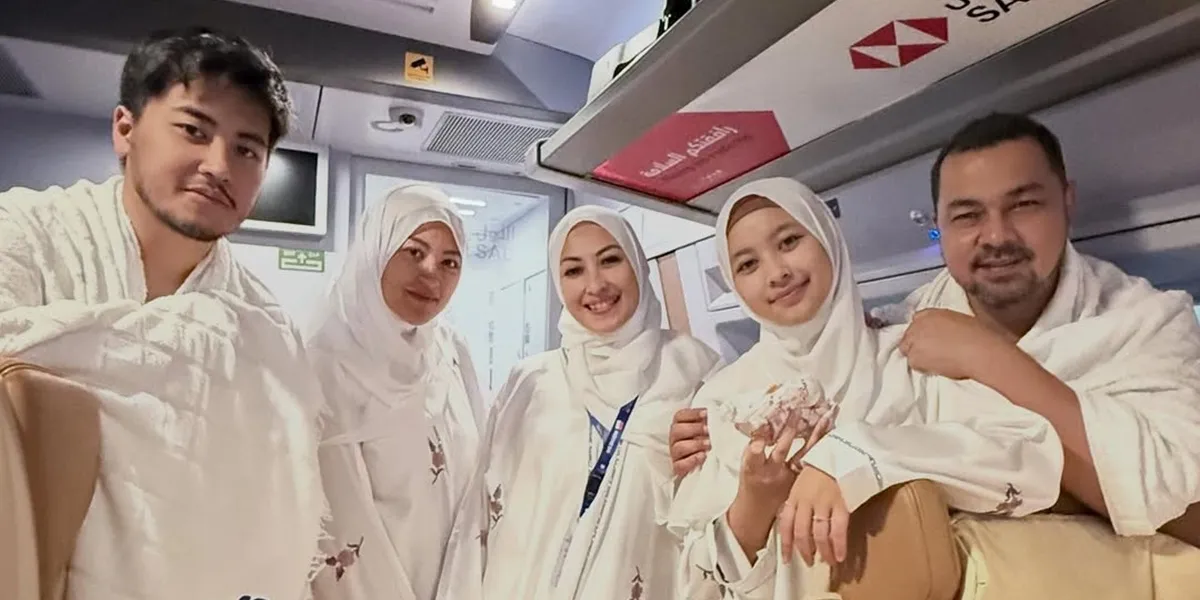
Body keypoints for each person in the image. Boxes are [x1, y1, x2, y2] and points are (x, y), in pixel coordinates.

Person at [672, 113, 1200, 546]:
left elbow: (1188, 510)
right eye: (967, 216)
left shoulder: (1150, 324)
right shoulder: (903, 330)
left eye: (1024, 205)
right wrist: (706, 439)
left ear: (1067, 201)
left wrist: (988, 359)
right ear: (938, 225)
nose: (996, 236)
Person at [0, 27, 328, 599]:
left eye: (247, 149)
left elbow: (281, 503)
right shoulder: (24, 237)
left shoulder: (264, 328)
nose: (219, 164)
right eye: (194, 130)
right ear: (125, 129)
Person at [667, 177, 1062, 599]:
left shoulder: (907, 357)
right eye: (748, 265)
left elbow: (1031, 462)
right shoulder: (724, 401)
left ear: (828, 239)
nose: (777, 273)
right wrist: (754, 503)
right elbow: (698, 581)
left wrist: (862, 454)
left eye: (788, 241)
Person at [478, 206, 721, 600]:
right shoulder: (530, 383)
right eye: (574, 270)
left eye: (610, 260)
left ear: (638, 265)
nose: (595, 285)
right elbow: (486, 516)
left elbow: (718, 509)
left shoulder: (694, 369)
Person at [307, 185, 486, 600]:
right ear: (377, 250)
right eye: (414, 251)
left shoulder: (452, 354)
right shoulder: (323, 364)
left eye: (450, 262)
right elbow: (337, 521)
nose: (432, 273)